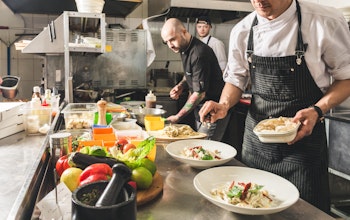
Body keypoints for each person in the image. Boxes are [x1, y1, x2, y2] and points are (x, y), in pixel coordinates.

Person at [199, 0, 350, 213]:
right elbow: (236, 79)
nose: (259, 0)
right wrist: (224, 104)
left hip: (303, 146)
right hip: (256, 145)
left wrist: (317, 110)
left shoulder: (323, 21)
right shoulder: (242, 30)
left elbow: (346, 78)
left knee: (304, 214)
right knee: (250, 208)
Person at [161, 18, 230, 141]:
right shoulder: (183, 49)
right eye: (166, 42)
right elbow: (189, 74)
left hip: (213, 111)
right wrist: (181, 85)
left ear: (183, 31)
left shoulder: (199, 53)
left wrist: (177, 117)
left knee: (204, 149)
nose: (170, 45)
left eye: (172, 39)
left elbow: (199, 93)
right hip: (200, 108)